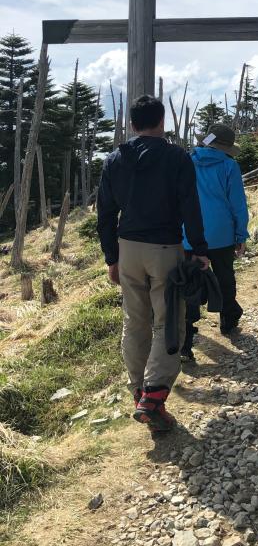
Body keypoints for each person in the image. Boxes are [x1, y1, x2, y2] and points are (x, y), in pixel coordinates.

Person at [97, 95, 209, 433]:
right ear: (162, 122)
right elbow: (190, 206)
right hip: (165, 248)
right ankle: (154, 395)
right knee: (169, 322)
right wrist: (199, 249)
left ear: (132, 124)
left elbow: (105, 214)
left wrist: (111, 258)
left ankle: (138, 393)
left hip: (127, 248)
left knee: (135, 321)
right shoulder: (177, 157)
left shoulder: (115, 159)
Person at [182, 123, 249, 356]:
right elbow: (237, 204)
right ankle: (228, 321)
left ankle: (186, 336)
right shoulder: (229, 166)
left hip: (189, 235)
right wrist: (241, 234)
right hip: (222, 233)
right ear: (225, 147)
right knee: (225, 277)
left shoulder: (186, 162)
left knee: (189, 284)